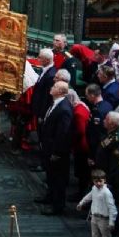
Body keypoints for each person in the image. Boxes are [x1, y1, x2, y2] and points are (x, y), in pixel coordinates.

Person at [38, 81, 74, 215]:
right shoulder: (55, 103)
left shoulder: (64, 109)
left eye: (54, 87)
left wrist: (57, 152)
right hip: (49, 146)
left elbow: (63, 134)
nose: (51, 88)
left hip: (57, 152)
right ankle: (50, 197)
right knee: (50, 175)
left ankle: (58, 206)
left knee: (58, 178)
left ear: (60, 91)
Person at [78, 168, 118, 237]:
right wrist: (81, 203)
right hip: (95, 217)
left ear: (105, 180)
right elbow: (89, 196)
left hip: (104, 218)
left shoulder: (106, 193)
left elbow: (112, 207)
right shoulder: (94, 188)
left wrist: (112, 222)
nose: (98, 183)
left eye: (101, 181)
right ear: (93, 181)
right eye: (96, 181)